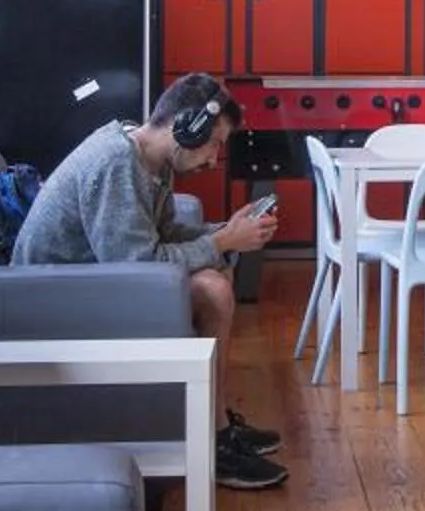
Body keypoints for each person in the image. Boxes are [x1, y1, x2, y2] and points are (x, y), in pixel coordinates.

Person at [15, 72, 289, 489]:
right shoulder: (116, 164)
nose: (214, 159)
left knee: (218, 272)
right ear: (186, 127)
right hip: (50, 305)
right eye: (214, 142)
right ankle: (211, 442)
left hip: (82, 286)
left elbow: (158, 238)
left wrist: (225, 231)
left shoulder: (148, 160)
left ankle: (212, 428)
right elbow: (138, 265)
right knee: (211, 288)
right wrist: (219, 241)